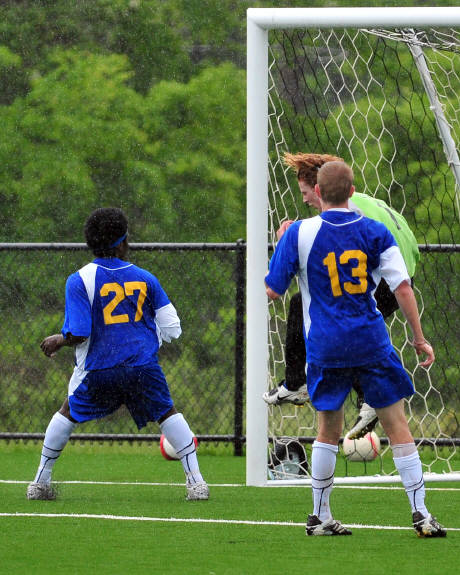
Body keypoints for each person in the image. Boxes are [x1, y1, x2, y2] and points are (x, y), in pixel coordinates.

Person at [265, 161, 446, 537]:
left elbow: (273, 290)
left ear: (317, 191)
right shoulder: (375, 231)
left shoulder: (299, 233)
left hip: (325, 346)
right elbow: (403, 288)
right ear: (352, 192)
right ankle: (421, 514)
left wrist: (283, 244)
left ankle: (319, 516)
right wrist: (418, 337)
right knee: (397, 424)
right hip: (369, 341)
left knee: (327, 430)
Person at [27, 208, 209, 502]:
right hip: (142, 368)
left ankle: (39, 482)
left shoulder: (79, 280)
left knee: (67, 412)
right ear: (123, 242)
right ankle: (197, 483)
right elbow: (173, 328)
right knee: (167, 412)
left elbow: (80, 333)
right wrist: (145, 339)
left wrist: (59, 340)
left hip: (99, 370)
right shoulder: (146, 278)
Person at [263, 152, 420, 440]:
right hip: (404, 272)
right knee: (350, 326)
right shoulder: (362, 201)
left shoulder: (347, 214)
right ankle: (363, 395)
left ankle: (300, 383)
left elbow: (285, 281)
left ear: (319, 188)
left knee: (316, 310)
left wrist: (286, 246)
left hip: (389, 280)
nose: (305, 200)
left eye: (305, 193)